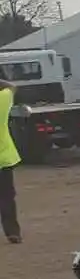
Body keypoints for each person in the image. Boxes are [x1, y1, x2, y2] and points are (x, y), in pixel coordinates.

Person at [0, 78, 20, 243]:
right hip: (3, 160)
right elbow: (12, 86)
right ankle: (12, 232)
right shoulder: (2, 100)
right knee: (6, 197)